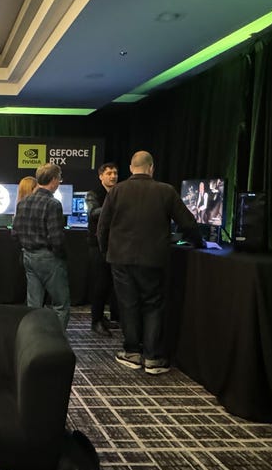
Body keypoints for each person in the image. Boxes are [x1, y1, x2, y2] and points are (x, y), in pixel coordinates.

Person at [98, 151, 203, 374]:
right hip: (153, 260)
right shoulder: (165, 191)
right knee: (153, 305)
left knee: (128, 305)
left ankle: (132, 352)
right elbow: (188, 223)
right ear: (151, 168)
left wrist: (106, 252)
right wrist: (199, 243)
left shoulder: (116, 191)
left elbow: (103, 227)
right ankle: (153, 357)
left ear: (130, 168)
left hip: (120, 259)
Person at [12, 163, 69, 329]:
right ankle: (56, 344)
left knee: (33, 305)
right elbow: (57, 239)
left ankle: (34, 341)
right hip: (49, 258)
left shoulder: (23, 203)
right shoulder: (53, 204)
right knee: (61, 305)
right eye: (59, 179)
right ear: (53, 180)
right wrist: (61, 256)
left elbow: (15, 234)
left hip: (28, 256)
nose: (59, 182)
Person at [85, 162, 119, 336]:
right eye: (109, 173)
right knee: (99, 285)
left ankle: (103, 317)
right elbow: (92, 213)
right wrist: (113, 207)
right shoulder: (93, 194)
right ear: (101, 176)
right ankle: (95, 321)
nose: (113, 176)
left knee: (109, 285)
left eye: (115, 173)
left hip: (114, 246)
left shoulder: (119, 192)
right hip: (97, 246)